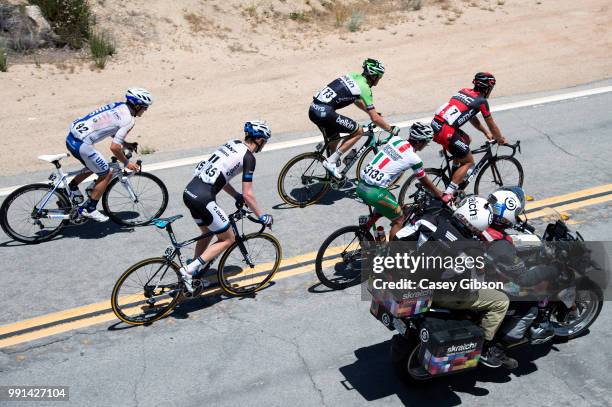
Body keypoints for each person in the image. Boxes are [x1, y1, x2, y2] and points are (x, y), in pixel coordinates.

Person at [180, 120, 274, 292]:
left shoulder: (233, 143)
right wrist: (262, 216)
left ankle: (194, 275)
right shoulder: (249, 158)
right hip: (203, 198)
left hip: (190, 191)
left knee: (207, 233)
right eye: (265, 141)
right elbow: (249, 194)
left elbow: (222, 176)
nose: (264, 145)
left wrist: (235, 195)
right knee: (228, 239)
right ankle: (189, 270)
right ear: (260, 140)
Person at [432, 196, 518, 369]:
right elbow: (476, 282)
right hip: (442, 293)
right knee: (501, 301)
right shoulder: (472, 247)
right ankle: (486, 348)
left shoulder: (438, 220)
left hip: (418, 280)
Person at [65, 88, 152, 222]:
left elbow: (111, 127)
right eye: (145, 107)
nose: (145, 110)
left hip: (71, 138)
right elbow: (114, 147)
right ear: (137, 105)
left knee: (96, 164)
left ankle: (72, 187)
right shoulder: (129, 120)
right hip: (82, 145)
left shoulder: (118, 105)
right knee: (106, 173)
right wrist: (127, 163)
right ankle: (89, 209)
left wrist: (126, 143)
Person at [483, 187, 556, 344]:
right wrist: (549, 270)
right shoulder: (501, 246)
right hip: (493, 282)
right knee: (532, 301)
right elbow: (523, 278)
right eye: (515, 213)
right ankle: (502, 343)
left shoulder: (480, 225)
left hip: (482, 272)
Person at [309, 58, 399, 180]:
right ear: (373, 76)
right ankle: (331, 161)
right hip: (325, 113)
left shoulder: (352, 76)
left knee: (335, 136)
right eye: (379, 77)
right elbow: (375, 119)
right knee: (358, 131)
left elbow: (355, 99)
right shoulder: (365, 88)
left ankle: (332, 164)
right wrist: (390, 129)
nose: (379, 80)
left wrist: (370, 112)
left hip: (314, 109)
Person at [357, 122, 443, 241]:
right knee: (399, 219)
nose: (426, 145)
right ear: (419, 142)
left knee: (390, 199)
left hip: (361, 184)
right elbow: (424, 181)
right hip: (375, 192)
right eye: (426, 142)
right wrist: (439, 194)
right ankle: (392, 255)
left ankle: (367, 224)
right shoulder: (414, 158)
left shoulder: (395, 140)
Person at [431, 72, 508, 202]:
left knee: (466, 140)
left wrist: (485, 132)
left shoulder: (463, 91)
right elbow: (491, 124)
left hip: (436, 125)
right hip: (446, 131)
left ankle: (454, 178)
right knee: (468, 162)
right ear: (487, 88)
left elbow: (471, 115)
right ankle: (448, 195)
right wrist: (500, 138)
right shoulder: (481, 101)